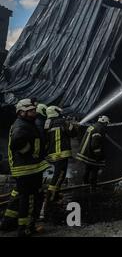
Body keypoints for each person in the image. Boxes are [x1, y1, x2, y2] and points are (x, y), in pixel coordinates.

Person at [4, 99, 49, 236]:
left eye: (34, 110)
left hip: (28, 168)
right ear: (21, 112)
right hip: (27, 169)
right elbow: (17, 143)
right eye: (30, 110)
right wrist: (30, 153)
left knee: (22, 196)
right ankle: (25, 229)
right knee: (30, 199)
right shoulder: (22, 126)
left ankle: (8, 223)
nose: (34, 112)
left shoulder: (26, 123)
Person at [41, 106, 78, 217]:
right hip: (62, 154)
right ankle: (50, 200)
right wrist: (73, 124)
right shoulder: (62, 122)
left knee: (57, 176)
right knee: (58, 177)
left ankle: (54, 196)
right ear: (55, 112)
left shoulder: (48, 123)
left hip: (53, 155)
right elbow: (73, 133)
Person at [76, 116, 109, 188]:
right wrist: (98, 156)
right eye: (106, 124)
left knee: (87, 168)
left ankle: (85, 184)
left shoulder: (93, 126)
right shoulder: (99, 129)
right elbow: (95, 144)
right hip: (91, 154)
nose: (106, 125)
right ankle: (93, 186)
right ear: (105, 123)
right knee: (95, 169)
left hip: (86, 152)